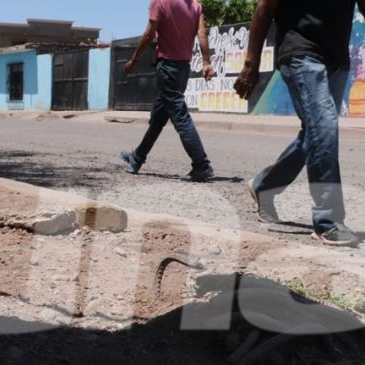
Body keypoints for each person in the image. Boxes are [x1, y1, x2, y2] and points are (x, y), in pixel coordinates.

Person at [235, 0, 364, 246]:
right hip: (300, 51)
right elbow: (265, 9)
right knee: (323, 126)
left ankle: (264, 185)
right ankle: (328, 219)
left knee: (314, 134)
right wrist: (251, 65)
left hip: (336, 59)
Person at [120, 0, 216, 182]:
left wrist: (133, 61)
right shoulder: (195, 5)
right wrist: (206, 62)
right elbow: (201, 33)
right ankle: (136, 158)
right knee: (158, 118)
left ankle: (202, 165)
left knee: (180, 116)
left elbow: (149, 34)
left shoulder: (161, 2)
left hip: (168, 68)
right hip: (183, 69)